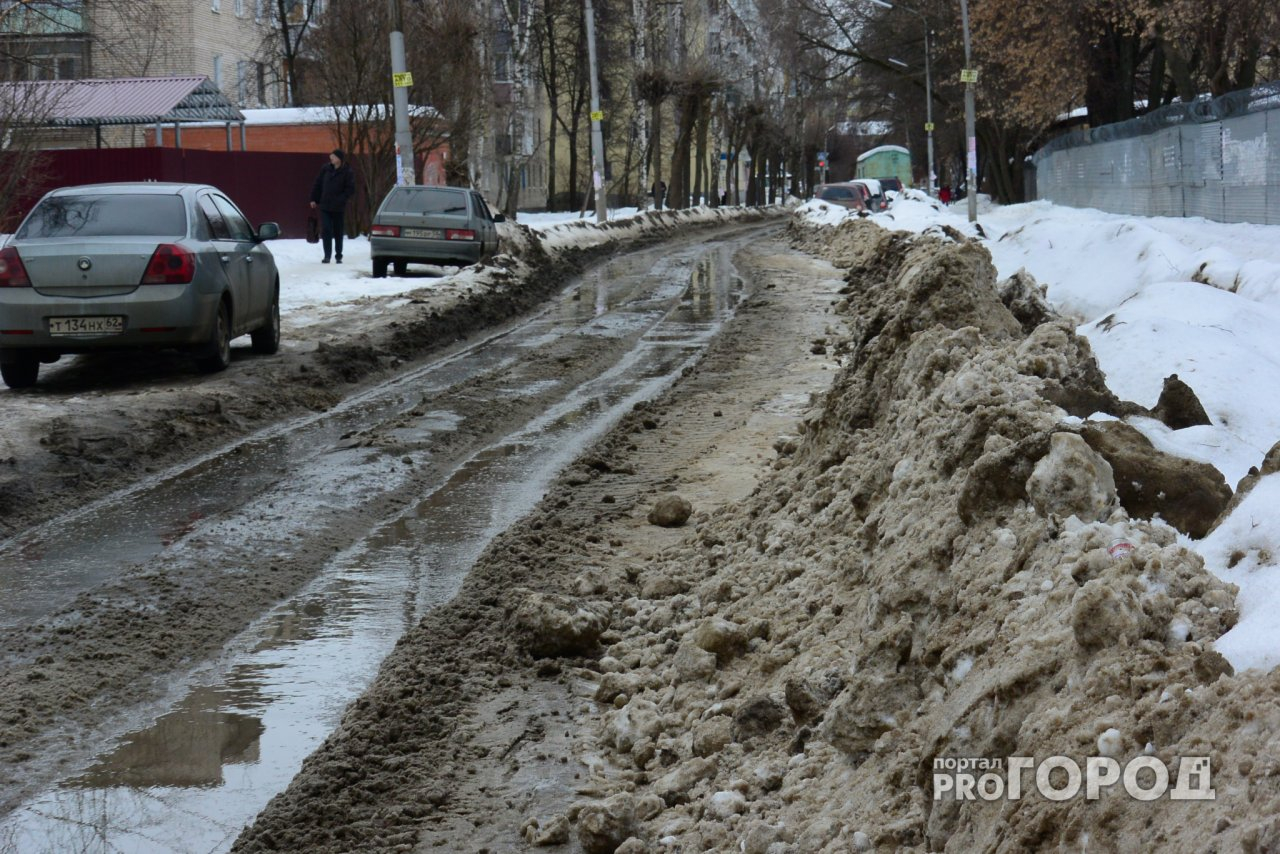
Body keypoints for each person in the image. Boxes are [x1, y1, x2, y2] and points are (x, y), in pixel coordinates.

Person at [310, 149, 356, 263]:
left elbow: (350, 189)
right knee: (326, 230)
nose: (331, 158)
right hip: (325, 205)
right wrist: (313, 199)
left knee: (338, 231)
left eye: (334, 157)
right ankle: (327, 255)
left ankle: (338, 255)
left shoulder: (347, 171)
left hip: (338, 207)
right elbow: (318, 183)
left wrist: (341, 199)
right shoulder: (325, 169)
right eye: (331, 156)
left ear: (339, 159)